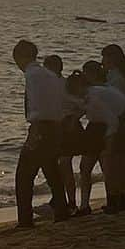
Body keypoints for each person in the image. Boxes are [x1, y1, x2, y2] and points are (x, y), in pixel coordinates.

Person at [66, 66, 125, 213]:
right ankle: (119, 201)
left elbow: (112, 121)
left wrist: (109, 144)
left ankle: (116, 201)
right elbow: (88, 108)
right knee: (112, 166)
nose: (75, 96)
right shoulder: (95, 92)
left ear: (81, 86)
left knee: (112, 164)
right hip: (111, 123)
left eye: (75, 92)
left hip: (121, 124)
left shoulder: (94, 96)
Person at [12, 40, 70, 227]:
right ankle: (62, 211)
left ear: (20, 57)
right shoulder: (50, 75)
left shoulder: (32, 75)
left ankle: (25, 219)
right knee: (51, 170)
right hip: (56, 126)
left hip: (41, 126)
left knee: (24, 174)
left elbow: (36, 102)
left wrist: (35, 128)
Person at [43, 55, 80, 212]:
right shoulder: (63, 84)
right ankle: (62, 200)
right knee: (61, 165)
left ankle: (68, 202)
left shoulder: (59, 85)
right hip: (64, 125)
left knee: (63, 165)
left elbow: (78, 103)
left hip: (65, 126)